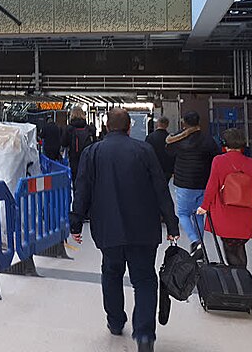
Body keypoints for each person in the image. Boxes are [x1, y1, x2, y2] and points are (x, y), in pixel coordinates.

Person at [70, 108, 178, 352]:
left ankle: (116, 322)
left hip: (108, 230)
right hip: (143, 230)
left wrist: (75, 222)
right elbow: (161, 188)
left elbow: (82, 189)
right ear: (129, 128)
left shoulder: (92, 152)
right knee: (145, 280)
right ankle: (144, 336)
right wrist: (172, 224)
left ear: (107, 127)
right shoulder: (144, 150)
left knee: (111, 273)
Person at [197, 128, 252, 267]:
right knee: (239, 247)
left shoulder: (218, 161)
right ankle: (243, 279)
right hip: (246, 215)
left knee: (230, 249)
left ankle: (239, 282)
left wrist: (204, 206)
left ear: (224, 144)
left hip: (225, 214)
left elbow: (212, 186)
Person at [165, 111, 220, 257]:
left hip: (184, 183)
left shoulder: (180, 139)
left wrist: (180, 132)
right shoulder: (208, 139)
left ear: (184, 122)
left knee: (183, 213)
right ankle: (200, 243)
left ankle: (196, 241)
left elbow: (168, 150)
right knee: (200, 214)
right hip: (203, 182)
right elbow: (217, 157)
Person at [63, 107, 96, 190]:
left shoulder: (69, 129)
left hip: (74, 160)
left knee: (76, 183)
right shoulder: (89, 129)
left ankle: (77, 199)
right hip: (88, 159)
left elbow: (63, 143)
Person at [145, 117, 173, 182]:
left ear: (157, 124)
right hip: (167, 169)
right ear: (167, 125)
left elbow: (146, 152)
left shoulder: (150, 137)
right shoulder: (171, 138)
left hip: (153, 167)